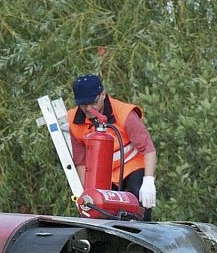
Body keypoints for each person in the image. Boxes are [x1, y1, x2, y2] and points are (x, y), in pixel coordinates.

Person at [67, 73, 158, 218]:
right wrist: (88, 192)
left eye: (93, 102)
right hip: (103, 173)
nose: (89, 109)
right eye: (83, 105)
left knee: (138, 199)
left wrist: (148, 182)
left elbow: (148, 149)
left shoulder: (124, 113)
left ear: (102, 95)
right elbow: (80, 161)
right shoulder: (73, 120)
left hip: (131, 166)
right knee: (101, 209)